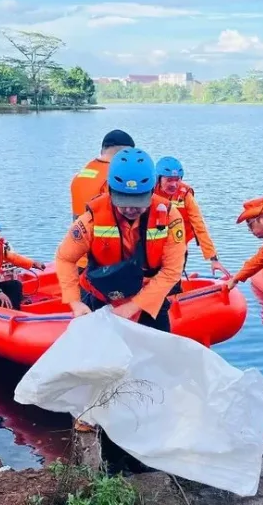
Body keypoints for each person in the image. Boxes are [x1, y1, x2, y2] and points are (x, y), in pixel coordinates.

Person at [54, 146, 187, 433]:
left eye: (138, 201)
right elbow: (65, 258)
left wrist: (134, 306)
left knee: (157, 355)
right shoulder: (91, 218)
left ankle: (154, 412)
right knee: (96, 359)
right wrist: (75, 302)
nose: (130, 208)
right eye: (123, 200)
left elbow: (171, 271)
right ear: (110, 191)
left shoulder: (171, 217)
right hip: (102, 296)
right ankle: (90, 413)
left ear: (152, 191)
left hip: (148, 297)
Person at [69, 129, 135, 270]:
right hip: (105, 262)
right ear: (125, 153)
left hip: (79, 256)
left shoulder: (80, 175)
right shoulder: (115, 179)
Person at [153, 156, 228, 276]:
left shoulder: (185, 194)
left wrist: (213, 259)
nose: (174, 184)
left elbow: (199, 225)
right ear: (158, 178)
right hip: (153, 245)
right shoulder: (149, 191)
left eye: (177, 180)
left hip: (178, 246)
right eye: (169, 180)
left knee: (173, 282)